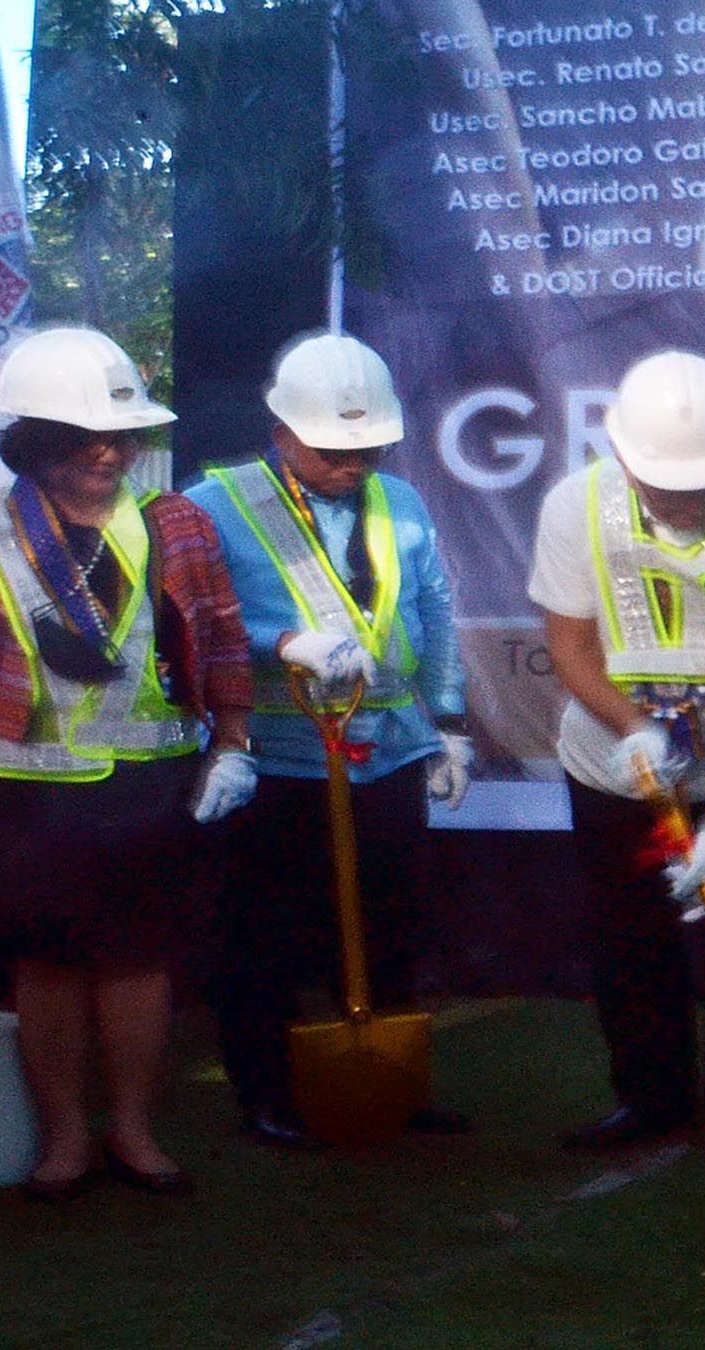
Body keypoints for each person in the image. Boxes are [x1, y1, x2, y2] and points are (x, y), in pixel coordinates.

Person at [0, 325, 256, 1198]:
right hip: (20, 793)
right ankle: (65, 1141)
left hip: (150, 785)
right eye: (85, 438)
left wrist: (233, 742)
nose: (109, 452)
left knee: (136, 962)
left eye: (120, 435)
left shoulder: (178, 521)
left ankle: (133, 1130)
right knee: (45, 966)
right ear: (35, 443)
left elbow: (224, 640)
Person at [184, 332, 473, 1150]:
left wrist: (448, 722)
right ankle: (266, 1094)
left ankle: (393, 1081)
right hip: (278, 756)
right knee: (261, 938)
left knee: (394, 924)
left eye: (369, 446)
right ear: (283, 434)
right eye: (335, 448)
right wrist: (282, 640)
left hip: (388, 749)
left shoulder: (401, 503)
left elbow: (436, 611)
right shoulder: (216, 507)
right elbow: (193, 624)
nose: (355, 462)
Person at [529, 350, 705, 1170]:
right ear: (624, 458)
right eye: (671, 486)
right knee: (629, 934)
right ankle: (649, 1098)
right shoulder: (572, 507)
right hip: (615, 762)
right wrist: (630, 726)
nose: (692, 500)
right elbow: (570, 643)